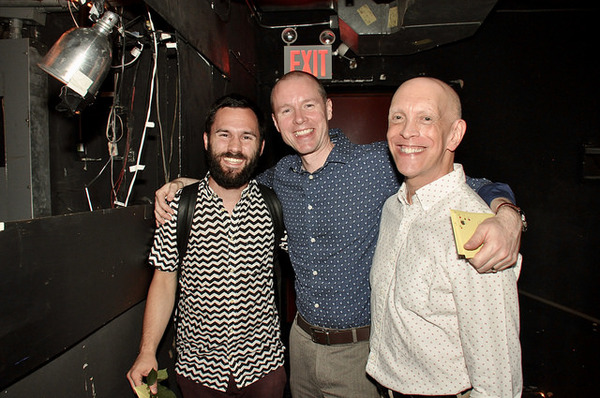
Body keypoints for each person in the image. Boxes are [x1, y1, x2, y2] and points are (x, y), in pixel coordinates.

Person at [153, 71, 525, 398]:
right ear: (276, 124)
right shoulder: (276, 180)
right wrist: (183, 185)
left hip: (361, 352)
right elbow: (230, 179)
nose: (299, 120)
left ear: (329, 110)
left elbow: (467, 185)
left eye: (309, 106)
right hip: (299, 346)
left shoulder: (381, 163)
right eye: (286, 111)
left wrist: (507, 216)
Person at [367, 77, 522, 398]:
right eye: (398, 117)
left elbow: (498, 384)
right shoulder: (392, 209)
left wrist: (509, 216)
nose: (407, 131)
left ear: (454, 133)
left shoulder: (477, 229)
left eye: (426, 118)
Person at [126, 94, 287, 398]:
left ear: (261, 146)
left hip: (264, 370)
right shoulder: (178, 208)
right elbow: (163, 282)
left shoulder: (275, 205)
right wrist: (147, 352)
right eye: (224, 134)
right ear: (206, 140)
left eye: (247, 136)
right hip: (198, 373)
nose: (235, 147)